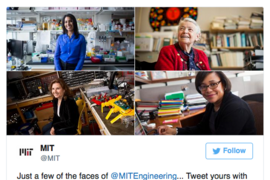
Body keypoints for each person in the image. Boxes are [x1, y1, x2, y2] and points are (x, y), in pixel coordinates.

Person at [157, 72, 256, 135]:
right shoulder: (211, 105)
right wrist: (174, 131)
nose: (208, 90)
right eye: (203, 86)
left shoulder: (235, 108)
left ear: (223, 84)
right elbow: (202, 129)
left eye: (213, 84)